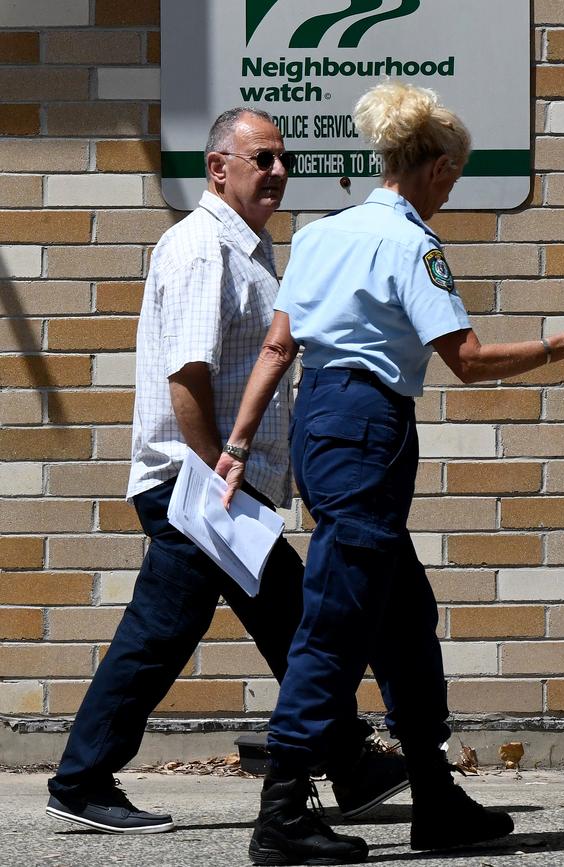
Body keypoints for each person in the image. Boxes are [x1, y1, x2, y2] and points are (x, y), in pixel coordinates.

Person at [217, 80, 564, 865]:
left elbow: (279, 348)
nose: (451, 190)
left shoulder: (317, 235)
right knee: (339, 612)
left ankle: (436, 794)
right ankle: (281, 815)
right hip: (368, 428)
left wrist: (239, 445)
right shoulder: (412, 243)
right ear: (438, 167)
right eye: (454, 177)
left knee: (402, 613)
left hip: (320, 420)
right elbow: (468, 361)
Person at [45, 108, 408, 836]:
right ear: (218, 168)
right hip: (198, 482)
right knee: (167, 630)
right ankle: (81, 777)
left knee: (292, 617)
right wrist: (219, 469)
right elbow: (188, 375)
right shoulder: (203, 247)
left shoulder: (247, 248)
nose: (277, 171)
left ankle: (346, 758)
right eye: (261, 159)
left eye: (283, 159)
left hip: (221, 483)